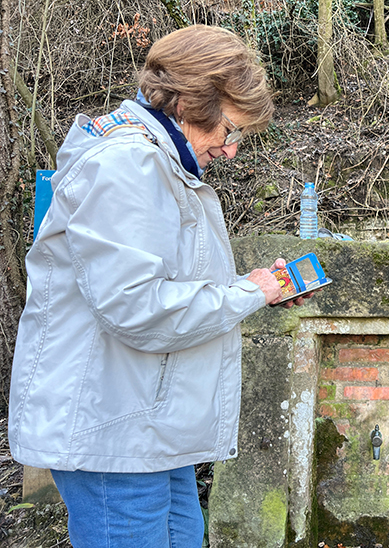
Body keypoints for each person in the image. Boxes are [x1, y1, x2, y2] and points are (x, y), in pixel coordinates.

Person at [9, 25, 309, 548]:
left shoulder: (157, 162)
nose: (232, 151)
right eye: (232, 131)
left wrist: (258, 287)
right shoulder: (128, 163)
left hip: (148, 430)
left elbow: (158, 287)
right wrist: (250, 293)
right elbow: (138, 307)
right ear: (196, 101)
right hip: (114, 433)